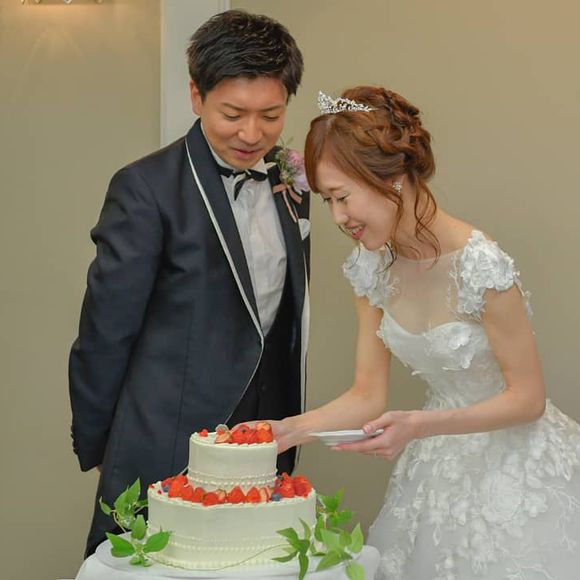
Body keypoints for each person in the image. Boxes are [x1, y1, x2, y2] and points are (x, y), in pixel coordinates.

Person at [270, 86, 580, 579]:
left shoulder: (481, 264)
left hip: (517, 471)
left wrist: (421, 425)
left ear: (392, 178)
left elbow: (528, 399)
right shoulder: (369, 268)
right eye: (327, 201)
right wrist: (286, 431)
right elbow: (367, 394)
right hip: (437, 468)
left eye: (343, 197)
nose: (338, 217)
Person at [68, 10, 310, 557]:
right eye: (233, 114)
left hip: (263, 443)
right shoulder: (145, 188)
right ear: (196, 96)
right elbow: (105, 331)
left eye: (271, 115)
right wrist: (105, 443)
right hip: (164, 436)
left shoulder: (291, 182)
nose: (252, 134)